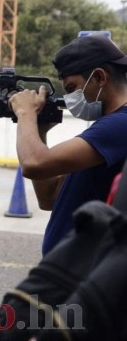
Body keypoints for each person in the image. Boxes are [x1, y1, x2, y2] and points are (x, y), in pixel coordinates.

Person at [9, 34, 127, 255]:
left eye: (72, 88)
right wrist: (40, 131)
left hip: (84, 278)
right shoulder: (105, 127)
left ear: (100, 77)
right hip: (66, 275)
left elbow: (34, 163)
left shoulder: (120, 124)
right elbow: (49, 198)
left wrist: (25, 113)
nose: (70, 98)